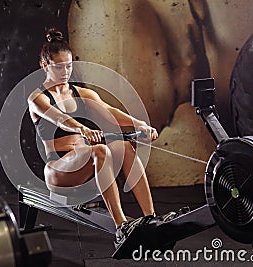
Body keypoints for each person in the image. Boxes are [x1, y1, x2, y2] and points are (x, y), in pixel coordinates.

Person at [28, 28, 159, 247]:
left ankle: (151, 218)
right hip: (58, 170)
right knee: (100, 149)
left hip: (85, 163)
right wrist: (82, 129)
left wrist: (140, 124)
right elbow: (60, 119)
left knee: (124, 146)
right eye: (58, 67)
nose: (65, 72)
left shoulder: (82, 94)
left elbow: (111, 111)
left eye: (69, 66)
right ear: (45, 66)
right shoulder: (38, 98)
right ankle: (122, 227)